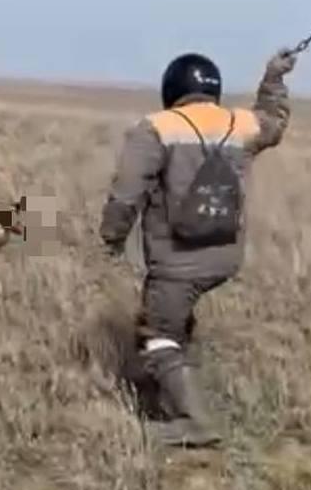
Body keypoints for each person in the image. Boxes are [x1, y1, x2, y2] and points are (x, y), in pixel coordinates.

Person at [99, 49, 295, 449]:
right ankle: (176, 388)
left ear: (171, 88)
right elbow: (273, 122)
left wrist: (112, 237)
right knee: (176, 320)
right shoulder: (241, 123)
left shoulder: (156, 127)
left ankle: (194, 421)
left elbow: (126, 193)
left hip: (177, 259)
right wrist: (273, 77)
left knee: (156, 332)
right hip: (225, 256)